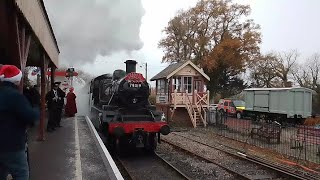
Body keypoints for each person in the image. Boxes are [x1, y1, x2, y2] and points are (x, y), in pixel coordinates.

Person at [0, 65, 40, 180]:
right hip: (13, 145)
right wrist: (36, 106)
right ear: (16, 80)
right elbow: (30, 116)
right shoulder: (15, 96)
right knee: (21, 174)